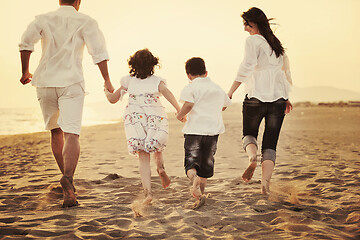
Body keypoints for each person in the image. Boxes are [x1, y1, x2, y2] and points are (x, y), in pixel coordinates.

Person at [19, 0, 115, 207]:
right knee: (72, 133)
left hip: (45, 82)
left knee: (56, 132)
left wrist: (25, 71)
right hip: (71, 82)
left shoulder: (43, 19)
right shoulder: (86, 21)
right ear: (78, 2)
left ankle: (66, 178)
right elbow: (98, 53)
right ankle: (68, 179)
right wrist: (106, 80)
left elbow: (26, 43)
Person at [227, 7, 293, 195]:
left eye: (245, 24)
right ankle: (265, 186)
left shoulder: (253, 41)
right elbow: (285, 73)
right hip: (278, 101)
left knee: (249, 134)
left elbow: (246, 66)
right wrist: (286, 96)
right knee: (270, 143)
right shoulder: (276, 45)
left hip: (255, 97)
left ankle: (251, 159)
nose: (245, 29)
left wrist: (231, 92)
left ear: (252, 23)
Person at [105, 49, 180, 204]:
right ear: (153, 64)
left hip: (135, 118)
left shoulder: (128, 81)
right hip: (155, 116)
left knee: (143, 157)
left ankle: (148, 193)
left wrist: (106, 92)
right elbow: (168, 94)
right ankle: (161, 169)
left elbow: (113, 99)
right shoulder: (157, 81)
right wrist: (179, 110)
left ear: (133, 64)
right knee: (156, 147)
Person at [177, 57, 231, 208]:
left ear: (188, 75)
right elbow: (225, 105)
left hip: (194, 131)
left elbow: (188, 104)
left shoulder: (191, 87)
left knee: (191, 162)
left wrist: (180, 115)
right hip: (212, 132)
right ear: (206, 72)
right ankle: (200, 193)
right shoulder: (217, 88)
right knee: (206, 165)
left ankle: (194, 179)